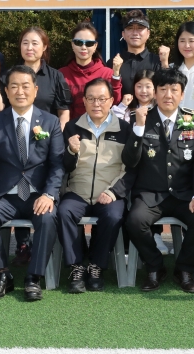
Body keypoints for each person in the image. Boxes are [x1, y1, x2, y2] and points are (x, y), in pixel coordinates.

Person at [0, 65, 64, 301]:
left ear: (35, 90)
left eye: (25, 86)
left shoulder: (50, 121)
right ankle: (2, 275)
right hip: (6, 194)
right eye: (14, 86)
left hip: (38, 194)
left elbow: (57, 164)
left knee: (47, 218)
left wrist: (49, 194)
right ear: (6, 90)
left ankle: (33, 277)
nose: (20, 91)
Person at [0, 26, 72, 264]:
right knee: (14, 180)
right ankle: (17, 251)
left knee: (41, 199)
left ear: (44, 47)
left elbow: (62, 111)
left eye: (35, 43)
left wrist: (55, 135)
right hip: (13, 140)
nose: (30, 47)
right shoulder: (10, 74)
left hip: (44, 138)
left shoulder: (55, 76)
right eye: (25, 42)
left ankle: (35, 273)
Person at [122, 68, 194, 293]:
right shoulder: (139, 119)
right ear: (155, 93)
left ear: (182, 94)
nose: (168, 95)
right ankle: (155, 266)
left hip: (183, 194)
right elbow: (129, 161)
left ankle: (184, 269)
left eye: (174, 90)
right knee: (134, 221)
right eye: (162, 89)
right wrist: (139, 129)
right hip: (150, 194)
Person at [59, 78, 132, 293]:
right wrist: (71, 151)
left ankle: (96, 266)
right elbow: (64, 166)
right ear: (84, 100)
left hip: (109, 191)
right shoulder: (72, 127)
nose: (96, 104)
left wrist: (114, 191)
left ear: (111, 101)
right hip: (77, 192)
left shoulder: (125, 129)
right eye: (91, 98)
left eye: (102, 99)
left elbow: (132, 168)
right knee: (64, 212)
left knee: (113, 216)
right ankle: (76, 266)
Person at [112, 69, 169, 255]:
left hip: (151, 167)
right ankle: (128, 244)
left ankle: (156, 235)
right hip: (127, 164)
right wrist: (122, 106)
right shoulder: (127, 110)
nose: (143, 91)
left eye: (148, 86)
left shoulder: (161, 111)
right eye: (139, 86)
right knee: (129, 206)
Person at [58, 22, 122, 121]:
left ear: (95, 46)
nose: (83, 47)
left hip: (100, 130)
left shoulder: (107, 73)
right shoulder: (61, 74)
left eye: (89, 43)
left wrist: (116, 74)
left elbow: (115, 101)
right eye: (79, 42)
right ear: (72, 44)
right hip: (70, 131)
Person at [105, 10, 167, 97]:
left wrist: (165, 64)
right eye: (130, 28)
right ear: (123, 34)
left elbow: (165, 91)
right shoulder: (113, 63)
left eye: (140, 28)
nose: (135, 33)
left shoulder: (157, 61)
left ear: (148, 33)